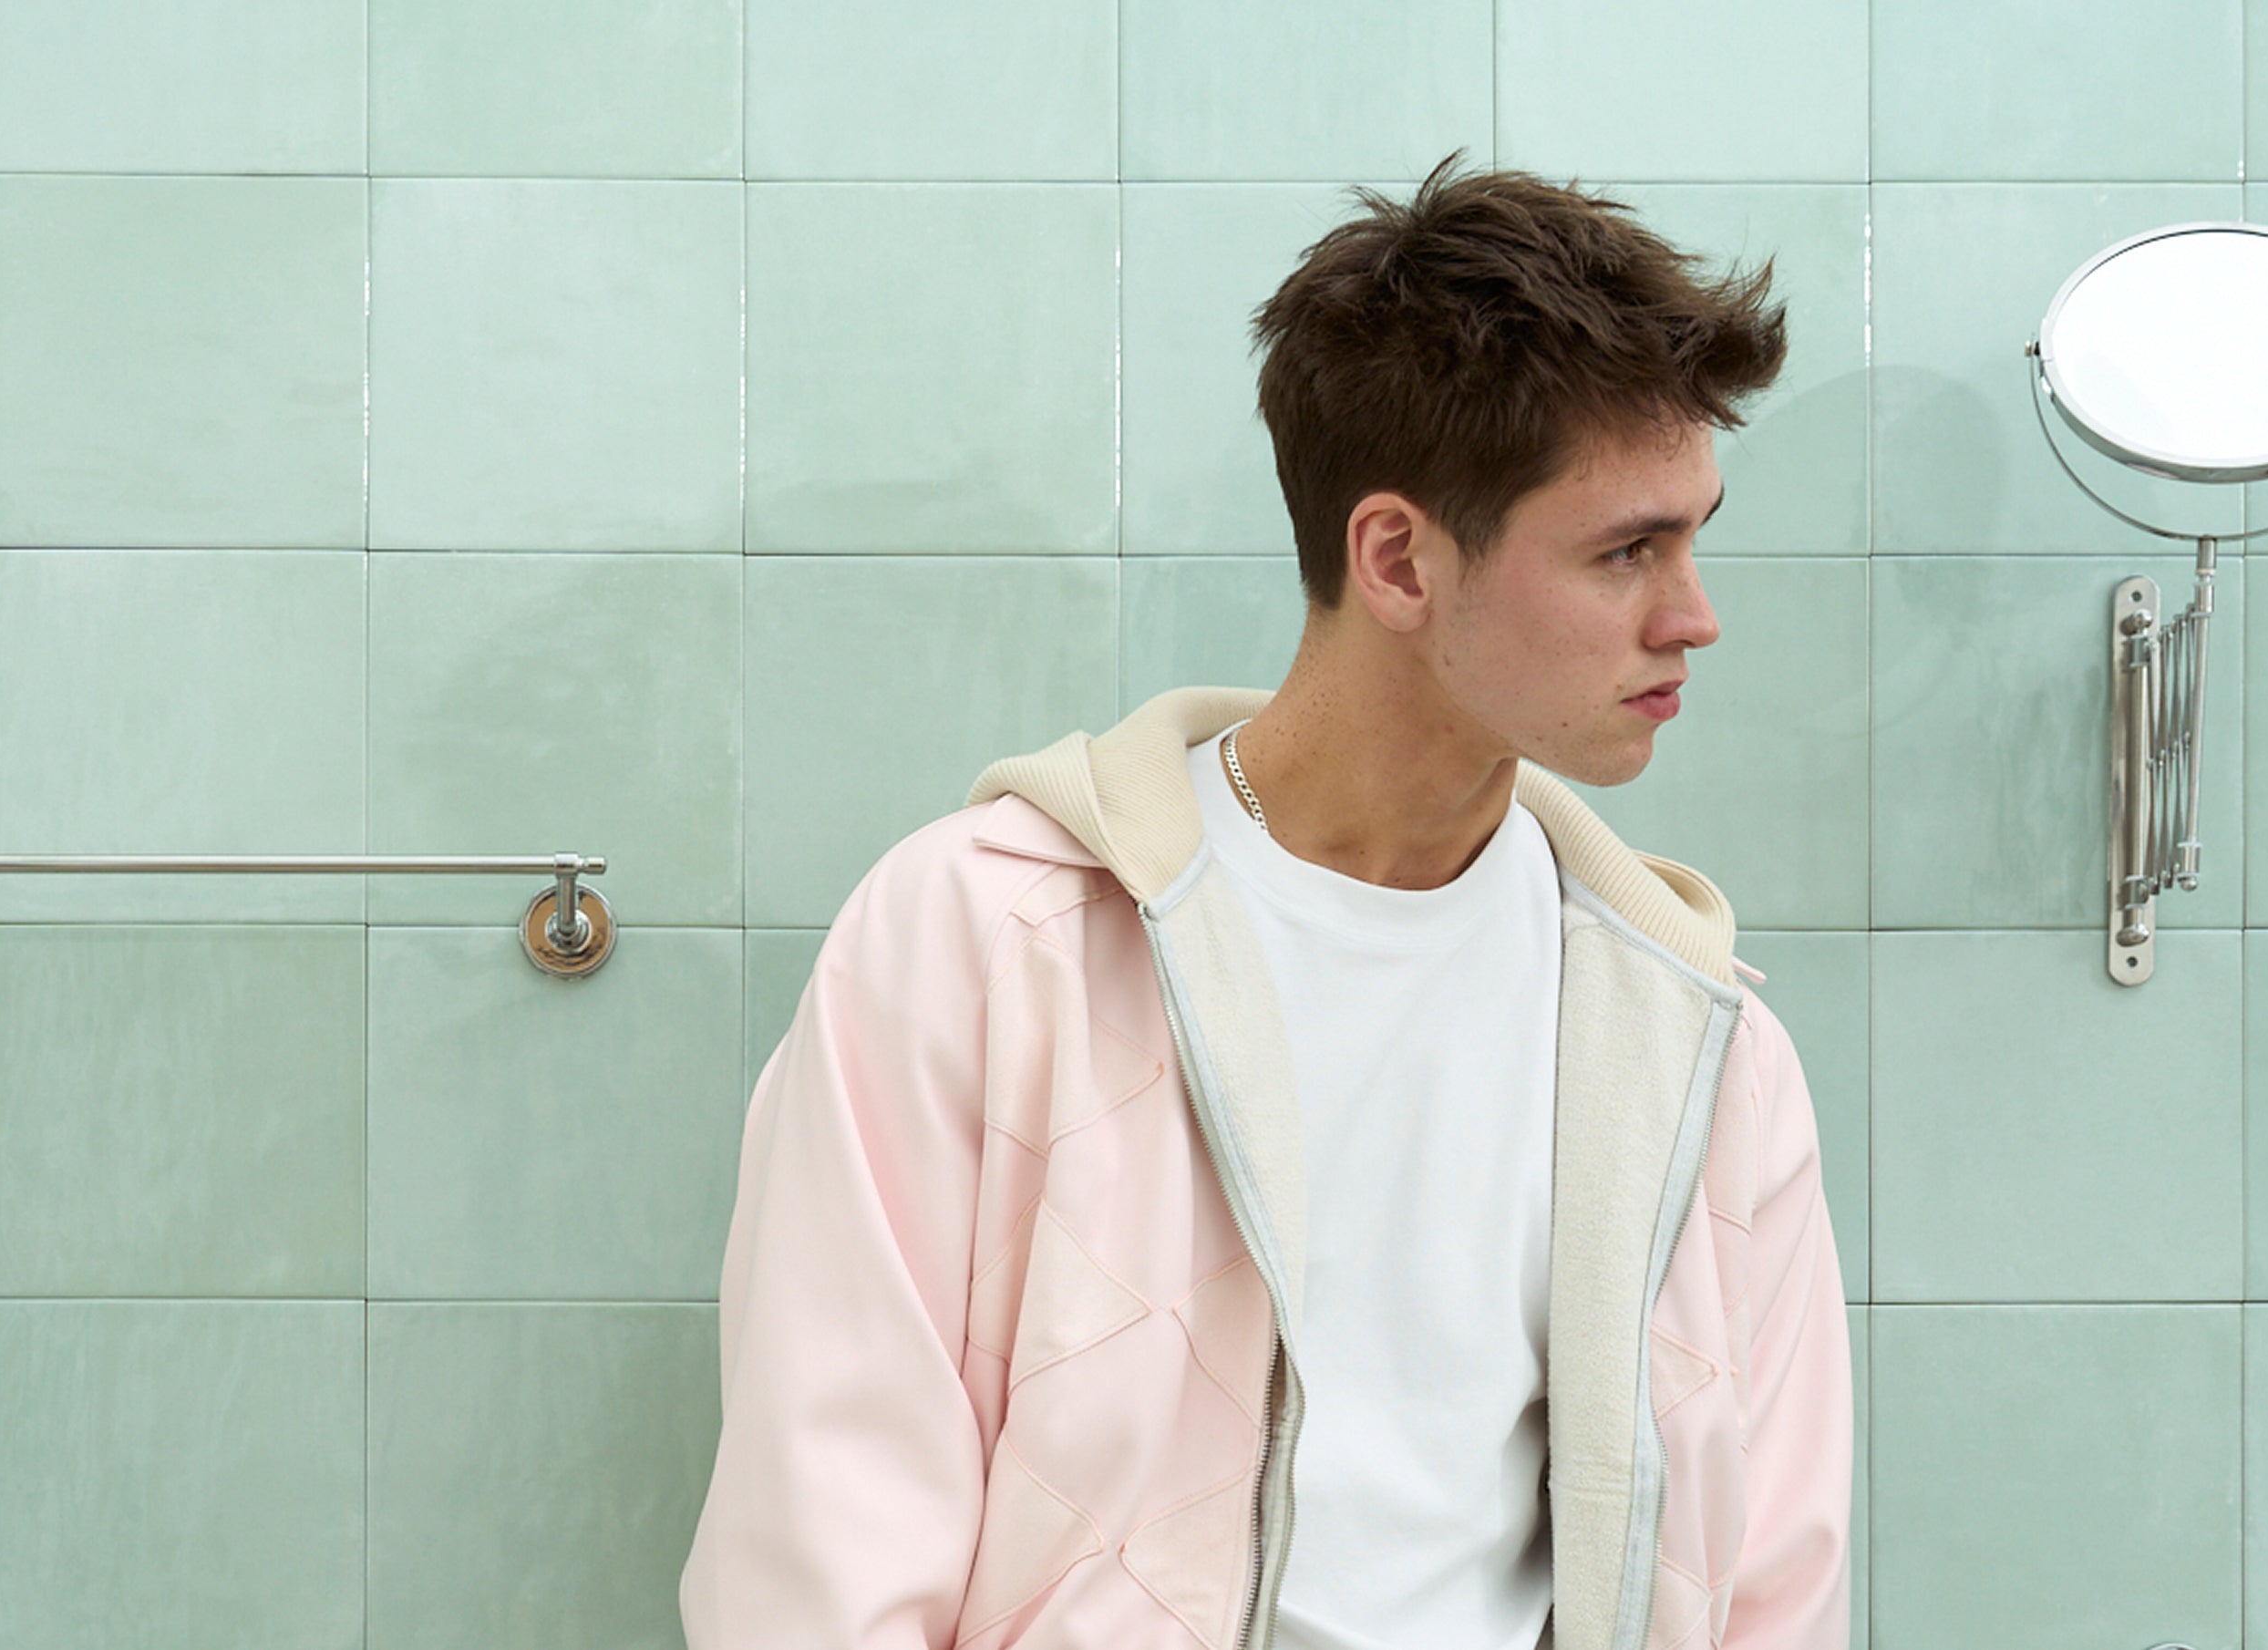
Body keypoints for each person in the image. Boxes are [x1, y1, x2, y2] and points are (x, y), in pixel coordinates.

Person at [678, 155, 1854, 1650]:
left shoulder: (1695, 1039)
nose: (1694, 614)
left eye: (1694, 536)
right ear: (1396, 559)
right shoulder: (983, 943)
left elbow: (1772, 1586)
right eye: (1628, 549)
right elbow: (820, 1553)